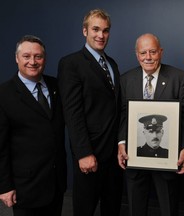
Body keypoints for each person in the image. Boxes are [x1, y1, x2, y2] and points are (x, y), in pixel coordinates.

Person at [117, 33, 184, 216]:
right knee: (136, 209)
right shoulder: (126, 79)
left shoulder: (179, 78)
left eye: (153, 51)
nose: (148, 57)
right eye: (143, 53)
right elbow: (122, 115)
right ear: (137, 54)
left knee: (168, 209)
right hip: (134, 157)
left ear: (161, 52)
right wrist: (121, 143)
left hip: (167, 158)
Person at [57, 9, 123, 216]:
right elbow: (72, 112)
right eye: (95, 29)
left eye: (105, 30)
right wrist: (84, 152)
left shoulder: (112, 64)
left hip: (115, 155)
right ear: (84, 31)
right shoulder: (71, 63)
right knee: (85, 209)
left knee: (112, 208)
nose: (101, 35)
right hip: (90, 153)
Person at [0, 35, 67, 216]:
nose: (33, 61)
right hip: (26, 187)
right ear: (17, 58)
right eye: (26, 56)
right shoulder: (4, 94)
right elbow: (1, 146)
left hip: (55, 183)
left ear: (44, 59)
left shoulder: (56, 85)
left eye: (38, 56)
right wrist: (4, 186)